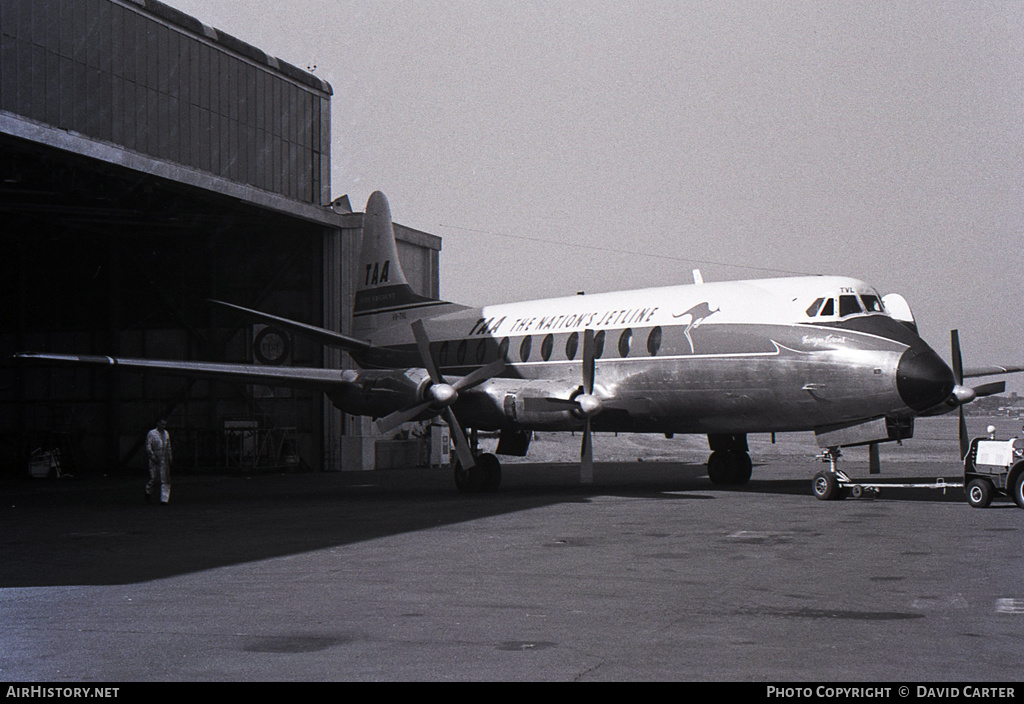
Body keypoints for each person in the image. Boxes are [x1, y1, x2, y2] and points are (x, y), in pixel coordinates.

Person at [145, 419, 173, 505]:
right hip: (155, 458)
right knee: (154, 478)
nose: (163, 426)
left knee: (165, 479)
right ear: (158, 424)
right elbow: (148, 446)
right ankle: (148, 491)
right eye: (162, 424)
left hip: (164, 459)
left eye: (164, 424)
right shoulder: (152, 433)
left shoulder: (166, 433)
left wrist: (170, 458)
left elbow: (168, 447)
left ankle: (164, 499)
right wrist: (152, 457)